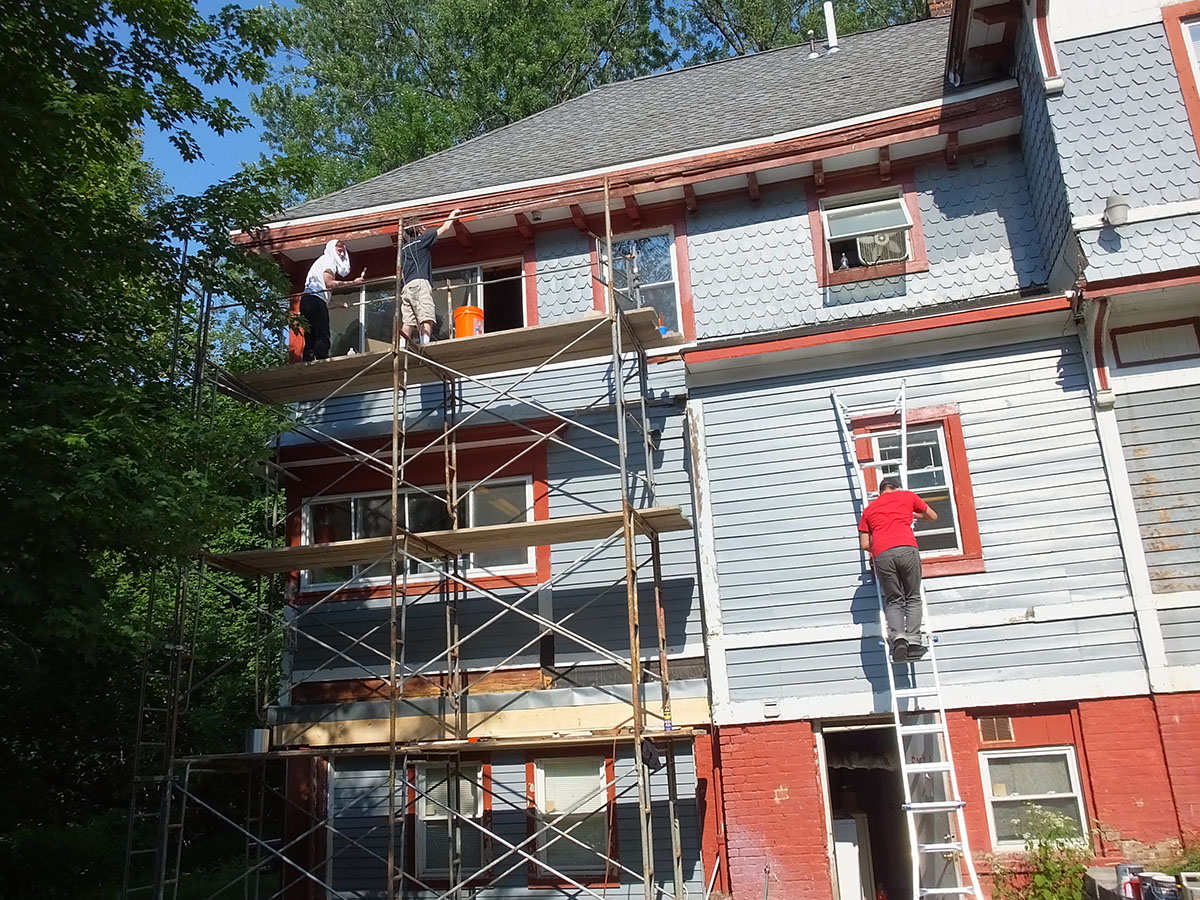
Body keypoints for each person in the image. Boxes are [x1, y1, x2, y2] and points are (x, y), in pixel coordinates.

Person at [858, 476, 939, 663]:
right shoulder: (907, 496)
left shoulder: (869, 510)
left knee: (894, 600)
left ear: (880, 492)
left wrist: (880, 546)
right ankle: (913, 640)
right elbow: (933, 516)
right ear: (897, 488)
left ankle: (899, 638)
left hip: (882, 554)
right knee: (913, 596)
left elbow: (864, 544)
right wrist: (914, 514)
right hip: (906, 547)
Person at [400, 209, 461, 345]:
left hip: (407, 286)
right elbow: (445, 227)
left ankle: (402, 346)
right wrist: (453, 213)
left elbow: (401, 271)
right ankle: (425, 343)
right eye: (422, 226)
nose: (425, 227)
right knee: (426, 316)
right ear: (417, 229)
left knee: (408, 320)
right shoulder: (422, 240)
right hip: (421, 282)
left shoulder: (403, 249)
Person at [300, 239, 367, 361]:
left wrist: (337, 303)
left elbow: (318, 293)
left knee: (310, 337)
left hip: (307, 301)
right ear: (332, 250)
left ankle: (307, 364)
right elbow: (328, 283)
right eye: (339, 251)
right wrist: (353, 283)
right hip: (314, 301)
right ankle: (322, 362)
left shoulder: (322, 261)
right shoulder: (328, 260)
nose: (342, 255)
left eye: (343, 252)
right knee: (322, 334)